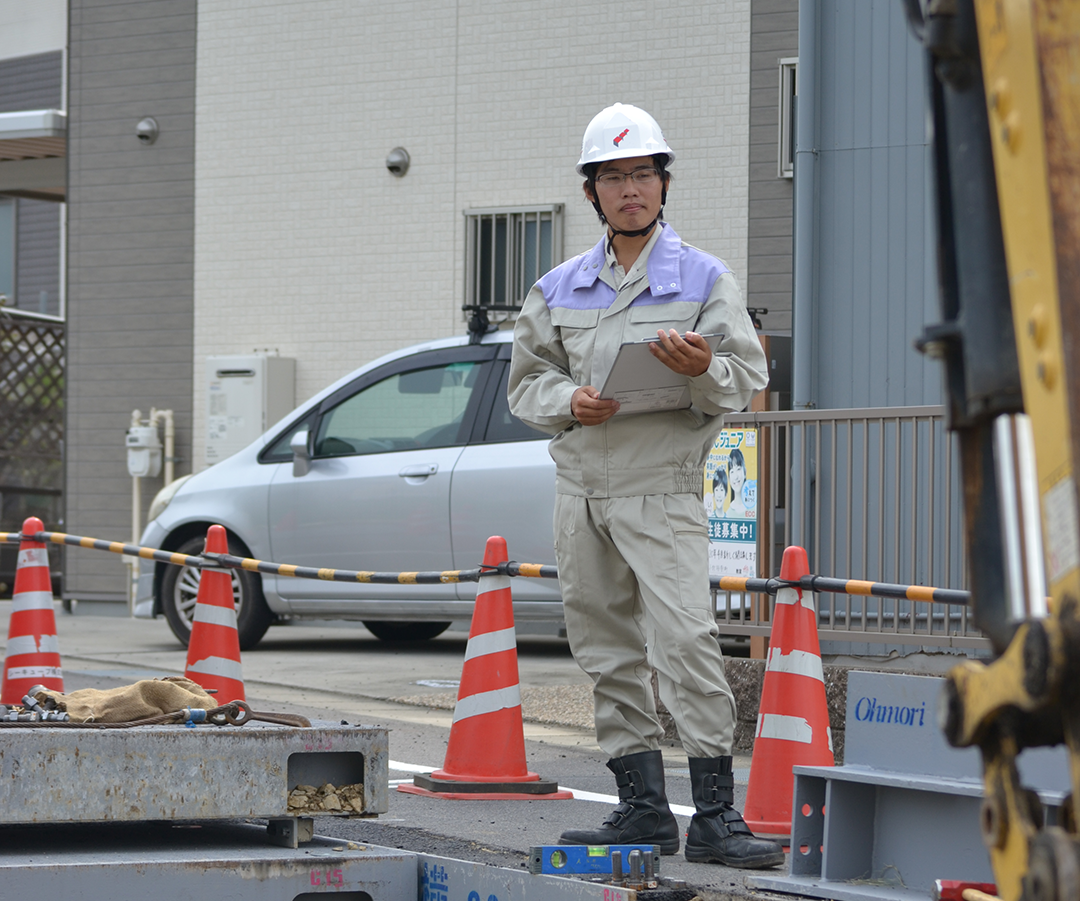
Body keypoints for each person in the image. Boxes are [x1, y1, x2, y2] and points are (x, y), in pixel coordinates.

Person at [508, 103, 782, 869]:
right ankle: (641, 809)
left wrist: (704, 372)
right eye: (614, 176)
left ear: (664, 185)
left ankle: (716, 817)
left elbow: (747, 378)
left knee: (688, 643)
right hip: (582, 488)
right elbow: (526, 383)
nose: (631, 189)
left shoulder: (702, 278)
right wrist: (571, 401)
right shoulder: (559, 285)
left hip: (661, 486)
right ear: (591, 191)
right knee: (606, 647)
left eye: (644, 174)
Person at [726, 448, 748, 518]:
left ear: (744, 472)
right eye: (732, 471)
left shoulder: (755, 509)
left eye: (738, 469)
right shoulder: (728, 514)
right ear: (729, 478)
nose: (735, 476)